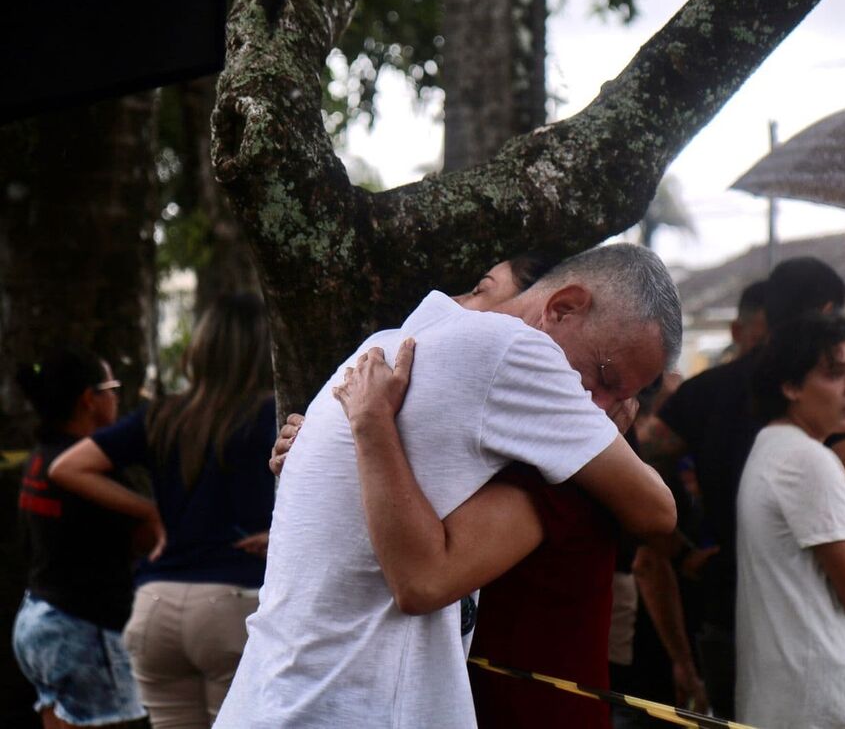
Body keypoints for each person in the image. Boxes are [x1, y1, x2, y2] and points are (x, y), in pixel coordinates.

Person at [215, 243, 681, 728]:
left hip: (276, 696)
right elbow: (658, 512)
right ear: (562, 307)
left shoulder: (394, 341)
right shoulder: (516, 350)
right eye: (604, 377)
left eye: (618, 398)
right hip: (350, 705)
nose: (597, 404)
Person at [647, 257, 845, 718]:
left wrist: (675, 548)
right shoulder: (831, 402)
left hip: (727, 608)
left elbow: (629, 467)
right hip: (820, 629)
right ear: (828, 311)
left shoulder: (708, 390)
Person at [50, 294, 277, 727]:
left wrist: (150, 511)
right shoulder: (273, 417)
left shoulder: (163, 415)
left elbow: (69, 467)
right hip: (233, 606)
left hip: (155, 606)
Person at [735, 313, 845, 729]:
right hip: (834, 702)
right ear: (791, 384)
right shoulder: (807, 459)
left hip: (797, 697)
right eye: (835, 374)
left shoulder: (773, 448)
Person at [11, 347, 148, 729]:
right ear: (90, 398)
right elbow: (151, 538)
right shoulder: (92, 472)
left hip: (38, 620)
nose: (118, 397)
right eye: (112, 387)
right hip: (84, 633)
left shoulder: (41, 456)